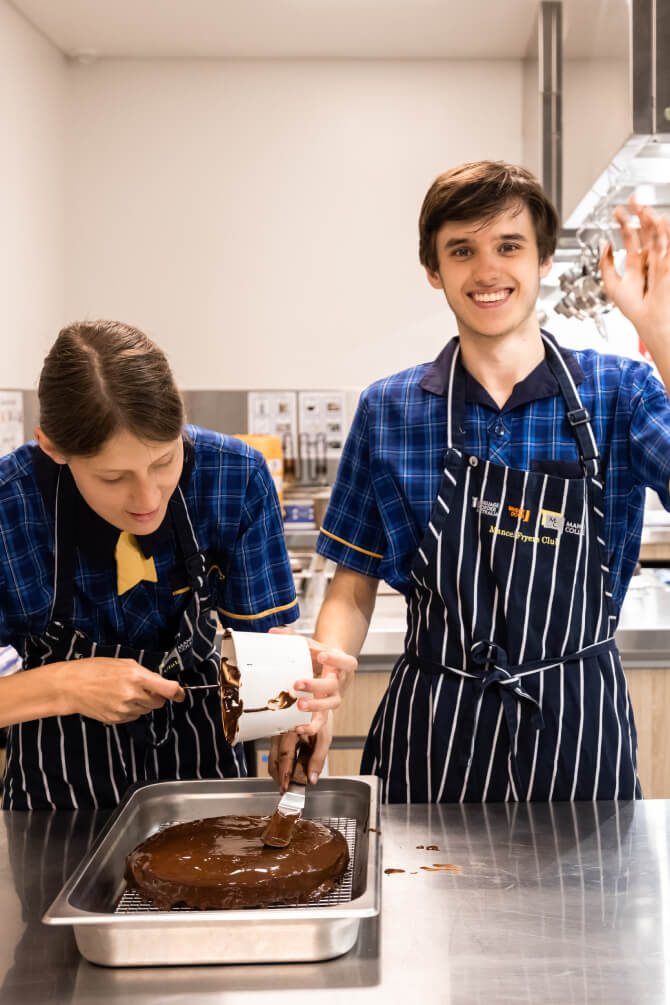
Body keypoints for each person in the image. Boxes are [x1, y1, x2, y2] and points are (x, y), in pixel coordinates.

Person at [271, 160, 670, 802]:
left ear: (542, 260)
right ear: (435, 270)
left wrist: (661, 335)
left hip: (578, 721)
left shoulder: (619, 392)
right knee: (423, 900)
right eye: (463, 251)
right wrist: (320, 689)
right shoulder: (390, 409)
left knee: (584, 904)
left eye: (508, 246)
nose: (487, 271)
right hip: (435, 724)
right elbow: (351, 584)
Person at [0, 320, 345, 810]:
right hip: (60, 801)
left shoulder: (234, 477)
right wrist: (62, 687)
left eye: (164, 461)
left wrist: (300, 701)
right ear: (53, 448)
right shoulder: (9, 507)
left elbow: (270, 648)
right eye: (113, 477)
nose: (147, 499)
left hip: (204, 777)